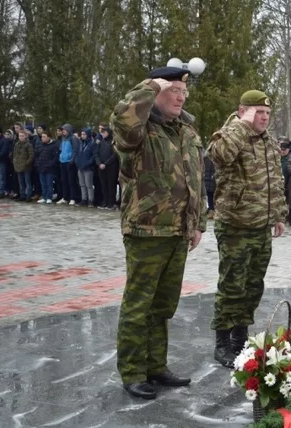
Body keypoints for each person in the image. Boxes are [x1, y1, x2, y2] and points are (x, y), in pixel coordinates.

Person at [110, 66, 206, 399]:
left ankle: (156, 366)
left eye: (184, 91)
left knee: (163, 305)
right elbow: (123, 117)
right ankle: (133, 371)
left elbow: (196, 179)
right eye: (173, 89)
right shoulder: (139, 130)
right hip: (146, 230)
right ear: (155, 93)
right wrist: (150, 84)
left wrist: (198, 223)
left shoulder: (186, 130)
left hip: (178, 231)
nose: (180, 96)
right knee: (139, 304)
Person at [207, 90, 287, 368]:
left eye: (267, 113)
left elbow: (274, 180)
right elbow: (219, 156)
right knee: (232, 286)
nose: (264, 118)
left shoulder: (268, 141)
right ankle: (222, 342)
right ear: (242, 111)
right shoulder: (229, 135)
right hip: (236, 226)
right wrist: (242, 125)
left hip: (261, 226)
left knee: (253, 286)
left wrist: (278, 214)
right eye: (257, 112)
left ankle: (240, 337)